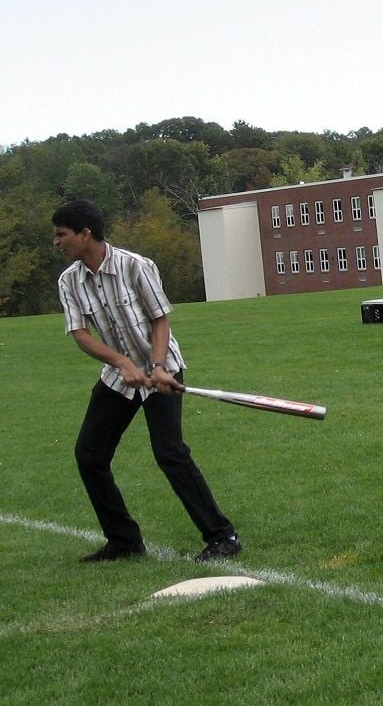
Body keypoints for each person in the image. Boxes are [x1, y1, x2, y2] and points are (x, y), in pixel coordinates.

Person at [52, 199, 242, 563]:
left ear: (85, 233)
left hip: (161, 368)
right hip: (118, 376)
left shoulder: (135, 266)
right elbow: (81, 334)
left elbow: (159, 319)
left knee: (169, 453)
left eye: (62, 235)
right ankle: (124, 541)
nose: (57, 242)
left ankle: (222, 536)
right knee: (89, 456)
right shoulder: (69, 281)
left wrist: (157, 366)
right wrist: (121, 362)